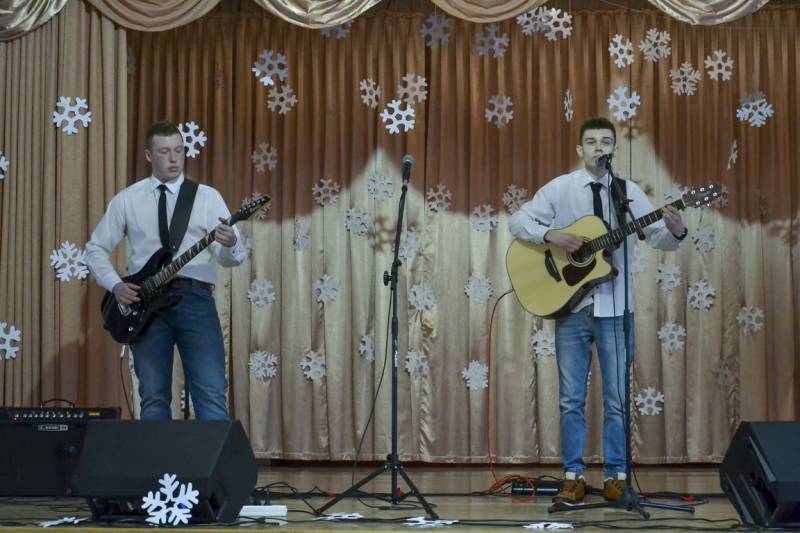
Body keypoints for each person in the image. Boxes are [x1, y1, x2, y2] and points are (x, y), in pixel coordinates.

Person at [508, 117, 688, 504]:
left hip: (616, 311)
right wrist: (551, 234)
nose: (599, 148)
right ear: (580, 149)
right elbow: (517, 221)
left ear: (614, 149)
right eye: (591, 142)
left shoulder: (627, 192)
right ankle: (572, 476)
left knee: (617, 400)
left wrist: (675, 229)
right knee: (570, 399)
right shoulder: (560, 188)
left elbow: (658, 237)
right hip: (572, 308)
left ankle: (616, 477)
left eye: (606, 142)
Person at [86, 120, 248, 421]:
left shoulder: (207, 197)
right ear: (149, 156)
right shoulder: (127, 199)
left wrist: (232, 242)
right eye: (164, 152)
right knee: (152, 396)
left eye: (179, 150)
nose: (174, 158)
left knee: (211, 393)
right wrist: (115, 285)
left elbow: (231, 258)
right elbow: (94, 249)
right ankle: (155, 454)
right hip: (145, 306)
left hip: (195, 299)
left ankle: (214, 454)